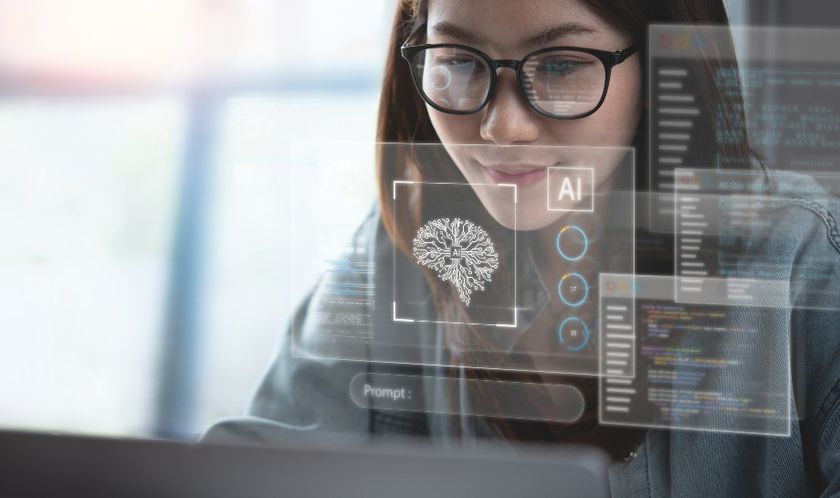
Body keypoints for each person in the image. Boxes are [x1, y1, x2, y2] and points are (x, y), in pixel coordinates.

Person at [206, 0, 840, 495]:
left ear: (663, 67)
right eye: (457, 59)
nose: (501, 128)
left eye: (561, 63)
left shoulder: (811, 270)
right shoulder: (404, 241)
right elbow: (266, 462)